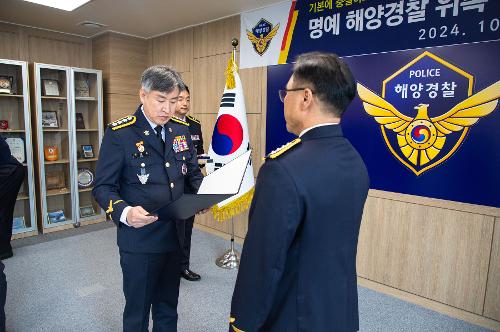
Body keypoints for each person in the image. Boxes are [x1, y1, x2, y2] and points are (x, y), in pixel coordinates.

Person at [229, 52, 369, 332]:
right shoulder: (354, 160)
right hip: (338, 312)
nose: (284, 100)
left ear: (306, 97)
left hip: (293, 317)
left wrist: (240, 324)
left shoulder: (282, 170)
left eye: (286, 93)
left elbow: (262, 264)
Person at [92, 65, 203, 332]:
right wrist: (125, 212)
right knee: (138, 311)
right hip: (140, 239)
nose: (168, 108)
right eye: (161, 100)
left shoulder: (180, 129)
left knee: (168, 306)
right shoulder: (120, 134)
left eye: (174, 101)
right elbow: (102, 187)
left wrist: (207, 194)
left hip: (175, 235)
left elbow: (192, 175)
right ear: (143, 95)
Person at [173, 85, 204, 281]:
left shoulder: (194, 124)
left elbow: (198, 153)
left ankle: (183, 266)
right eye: (180, 99)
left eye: (188, 99)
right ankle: (169, 269)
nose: (185, 103)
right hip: (171, 186)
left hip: (190, 184)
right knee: (172, 229)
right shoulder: (164, 123)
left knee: (187, 229)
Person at [0, 135, 25, 260]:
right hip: (10, 169)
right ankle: (4, 249)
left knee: (4, 211)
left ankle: (4, 249)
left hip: (9, 171)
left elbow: (4, 153)